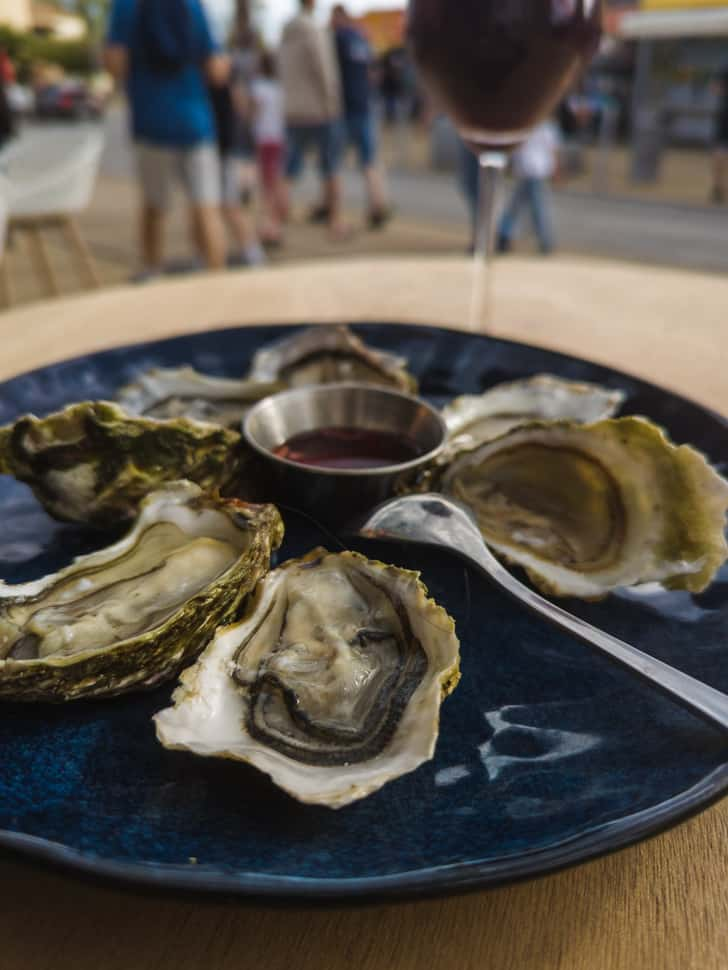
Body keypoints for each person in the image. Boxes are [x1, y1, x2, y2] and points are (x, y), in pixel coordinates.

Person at [104, 0, 228, 278]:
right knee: (207, 208)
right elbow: (217, 69)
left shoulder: (127, 5)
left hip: (152, 120)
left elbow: (114, 62)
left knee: (154, 206)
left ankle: (152, 272)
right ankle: (217, 281)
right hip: (196, 120)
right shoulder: (193, 6)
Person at [278, 0, 347, 240]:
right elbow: (324, 71)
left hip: (293, 110)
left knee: (287, 171)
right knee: (330, 168)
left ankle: (273, 226)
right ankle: (335, 222)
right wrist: (333, 103)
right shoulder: (315, 31)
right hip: (319, 110)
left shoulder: (286, 33)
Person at [330, 4, 390, 229]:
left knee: (334, 163)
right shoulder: (362, 39)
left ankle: (336, 215)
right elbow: (373, 72)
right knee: (369, 160)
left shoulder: (339, 39)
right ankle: (377, 204)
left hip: (345, 108)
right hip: (364, 105)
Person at [208, 70, 265, 266]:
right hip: (221, 147)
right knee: (218, 205)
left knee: (230, 205)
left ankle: (252, 253)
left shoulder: (222, 77)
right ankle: (247, 252)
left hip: (223, 149)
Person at [497, 120, 561, 255]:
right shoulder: (528, 125)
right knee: (525, 207)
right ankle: (505, 236)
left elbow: (552, 150)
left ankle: (543, 241)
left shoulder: (544, 127)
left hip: (535, 171)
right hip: (528, 171)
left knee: (534, 208)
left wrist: (555, 170)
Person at [250, 51, 287, 246]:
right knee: (276, 180)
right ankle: (276, 222)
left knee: (266, 185)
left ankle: (269, 227)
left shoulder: (258, 87)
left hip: (264, 138)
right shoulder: (279, 87)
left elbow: (254, 112)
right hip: (279, 138)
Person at [710, 66, 728, 205]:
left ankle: (718, 188)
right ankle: (717, 187)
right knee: (720, 152)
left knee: (720, 151)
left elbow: (715, 88)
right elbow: (715, 88)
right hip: (725, 116)